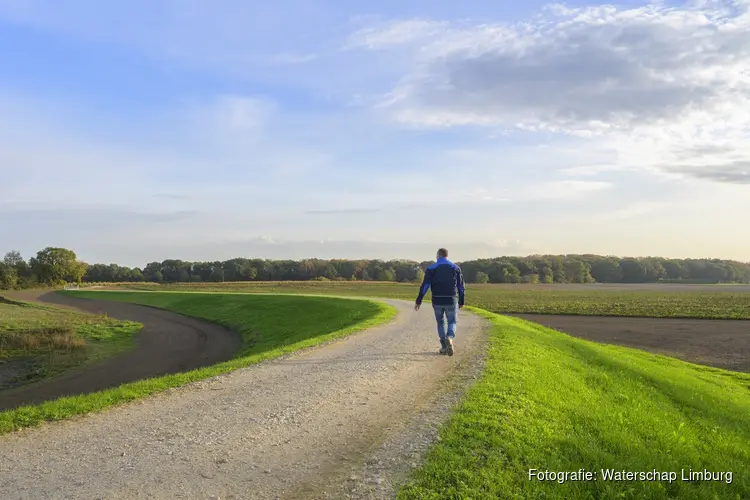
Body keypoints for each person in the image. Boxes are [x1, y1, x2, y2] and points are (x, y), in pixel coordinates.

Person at [414, 248, 465, 356]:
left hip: (437, 300)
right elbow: (461, 287)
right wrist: (461, 301)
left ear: (438, 256)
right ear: (447, 256)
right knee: (452, 322)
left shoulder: (431, 268)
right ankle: (450, 338)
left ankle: (443, 346)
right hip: (451, 299)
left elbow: (425, 286)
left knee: (440, 322)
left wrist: (419, 300)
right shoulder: (456, 268)